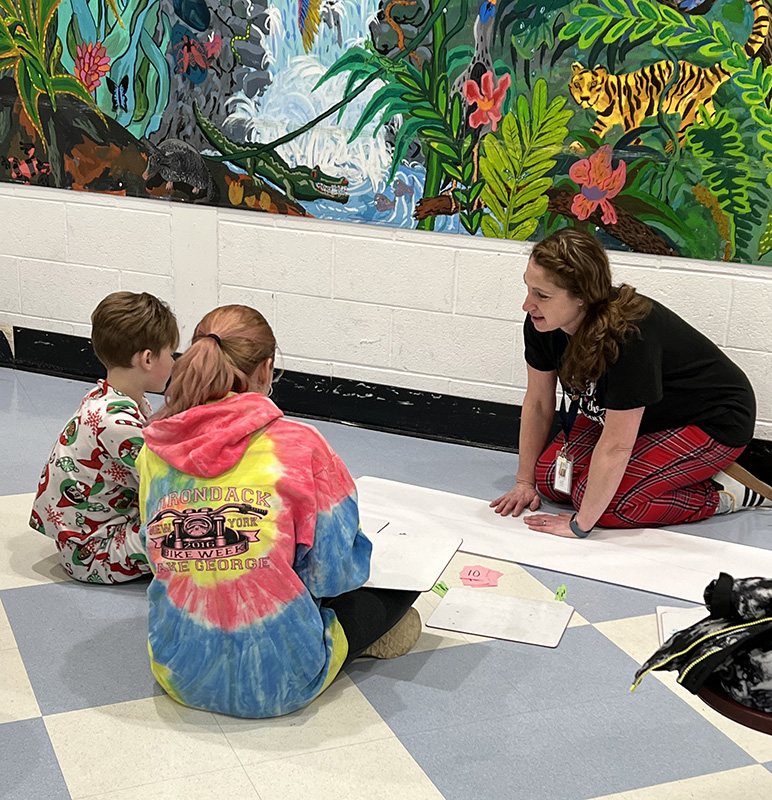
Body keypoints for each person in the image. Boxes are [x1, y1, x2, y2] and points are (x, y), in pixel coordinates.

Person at [136, 305, 421, 719]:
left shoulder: (155, 448)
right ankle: (356, 644)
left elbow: (155, 549)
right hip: (281, 682)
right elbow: (335, 574)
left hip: (177, 671)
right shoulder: (301, 445)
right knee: (400, 583)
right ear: (266, 370)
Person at [490, 228, 769, 538]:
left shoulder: (627, 336)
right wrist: (524, 483)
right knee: (550, 479)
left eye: (541, 295)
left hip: (713, 420)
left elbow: (617, 446)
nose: (527, 305)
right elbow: (540, 403)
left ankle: (724, 494)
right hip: (639, 418)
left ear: (582, 296)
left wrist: (580, 525)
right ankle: (669, 470)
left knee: (606, 507)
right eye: (528, 289)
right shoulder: (543, 324)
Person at [29, 291, 179, 582]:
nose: (174, 363)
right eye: (171, 354)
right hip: (95, 554)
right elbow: (168, 483)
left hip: (89, 534)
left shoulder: (106, 397)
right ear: (147, 359)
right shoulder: (117, 423)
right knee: (193, 524)